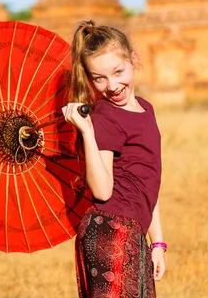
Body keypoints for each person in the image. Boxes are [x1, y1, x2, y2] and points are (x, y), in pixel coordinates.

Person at [62, 20, 166, 298]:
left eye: (118, 72)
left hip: (135, 233)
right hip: (111, 230)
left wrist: (157, 244)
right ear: (89, 78)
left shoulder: (146, 108)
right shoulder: (104, 119)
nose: (112, 85)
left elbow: (148, 184)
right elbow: (102, 190)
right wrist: (87, 132)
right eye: (99, 78)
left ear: (133, 59)